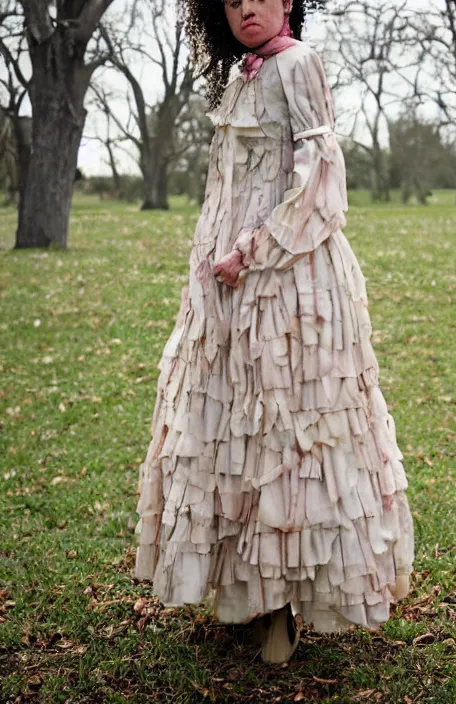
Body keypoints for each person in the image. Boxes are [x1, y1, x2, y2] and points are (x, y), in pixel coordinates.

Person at [132, 0, 414, 664]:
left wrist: (255, 248)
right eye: (231, 1)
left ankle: (284, 609)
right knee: (230, 435)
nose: (246, 9)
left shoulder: (299, 64)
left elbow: (320, 179)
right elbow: (225, 184)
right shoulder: (242, 73)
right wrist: (210, 258)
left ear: (288, 1)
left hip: (291, 284)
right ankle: (242, 590)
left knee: (286, 437)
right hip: (226, 285)